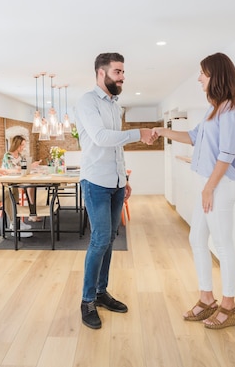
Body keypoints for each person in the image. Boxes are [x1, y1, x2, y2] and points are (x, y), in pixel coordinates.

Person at [154, 52, 235, 329]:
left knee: (223, 245)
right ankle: (207, 298)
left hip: (220, 185)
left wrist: (208, 188)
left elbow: (227, 154)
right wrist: (162, 131)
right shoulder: (214, 109)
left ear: (216, 75)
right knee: (197, 239)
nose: (199, 78)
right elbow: (193, 137)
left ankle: (229, 306)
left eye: (203, 74)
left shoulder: (230, 109)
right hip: (210, 184)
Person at [75, 52, 156, 329]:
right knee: (99, 240)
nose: (122, 77)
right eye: (118, 72)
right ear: (102, 73)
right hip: (96, 182)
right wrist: (138, 133)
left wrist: (124, 178)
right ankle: (86, 301)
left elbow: (115, 147)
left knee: (109, 240)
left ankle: (100, 292)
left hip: (116, 183)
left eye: (123, 72)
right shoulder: (87, 102)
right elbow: (100, 138)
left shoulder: (114, 104)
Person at [2, 135, 42, 223]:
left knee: (32, 185)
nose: (23, 147)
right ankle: (33, 213)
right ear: (17, 144)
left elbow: (23, 169)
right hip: (10, 181)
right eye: (22, 145)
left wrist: (32, 167)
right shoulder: (7, 156)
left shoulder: (20, 156)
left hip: (20, 179)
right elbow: (13, 170)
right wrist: (30, 166)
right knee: (30, 186)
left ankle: (32, 213)